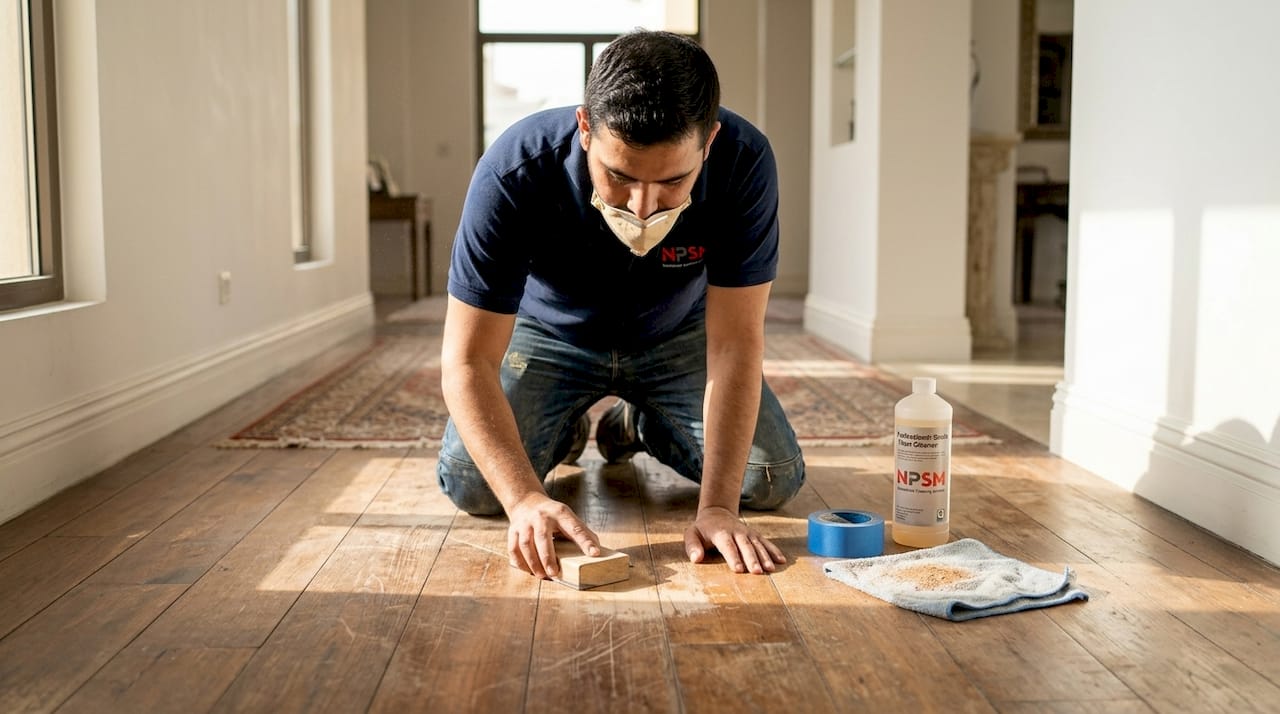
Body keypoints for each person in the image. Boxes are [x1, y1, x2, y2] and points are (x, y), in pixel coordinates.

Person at [437, 29, 805, 582]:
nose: (642, 206)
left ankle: (636, 423)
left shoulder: (745, 162)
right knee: (474, 484)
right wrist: (524, 500)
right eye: (620, 176)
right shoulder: (514, 169)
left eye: (673, 181)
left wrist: (719, 509)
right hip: (550, 332)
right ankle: (564, 429)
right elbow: (466, 361)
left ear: (709, 143)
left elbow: (735, 342)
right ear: (586, 129)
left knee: (770, 476)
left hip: (678, 332)